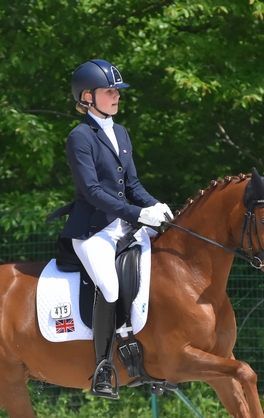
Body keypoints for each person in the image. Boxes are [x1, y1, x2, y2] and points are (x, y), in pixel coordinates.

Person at [57, 59, 172, 398]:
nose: (116, 96)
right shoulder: (79, 137)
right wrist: (138, 213)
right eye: (110, 91)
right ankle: (103, 370)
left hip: (123, 225)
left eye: (117, 91)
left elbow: (132, 183)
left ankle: (153, 360)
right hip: (92, 230)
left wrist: (154, 206)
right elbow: (92, 192)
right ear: (88, 96)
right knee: (109, 287)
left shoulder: (120, 132)